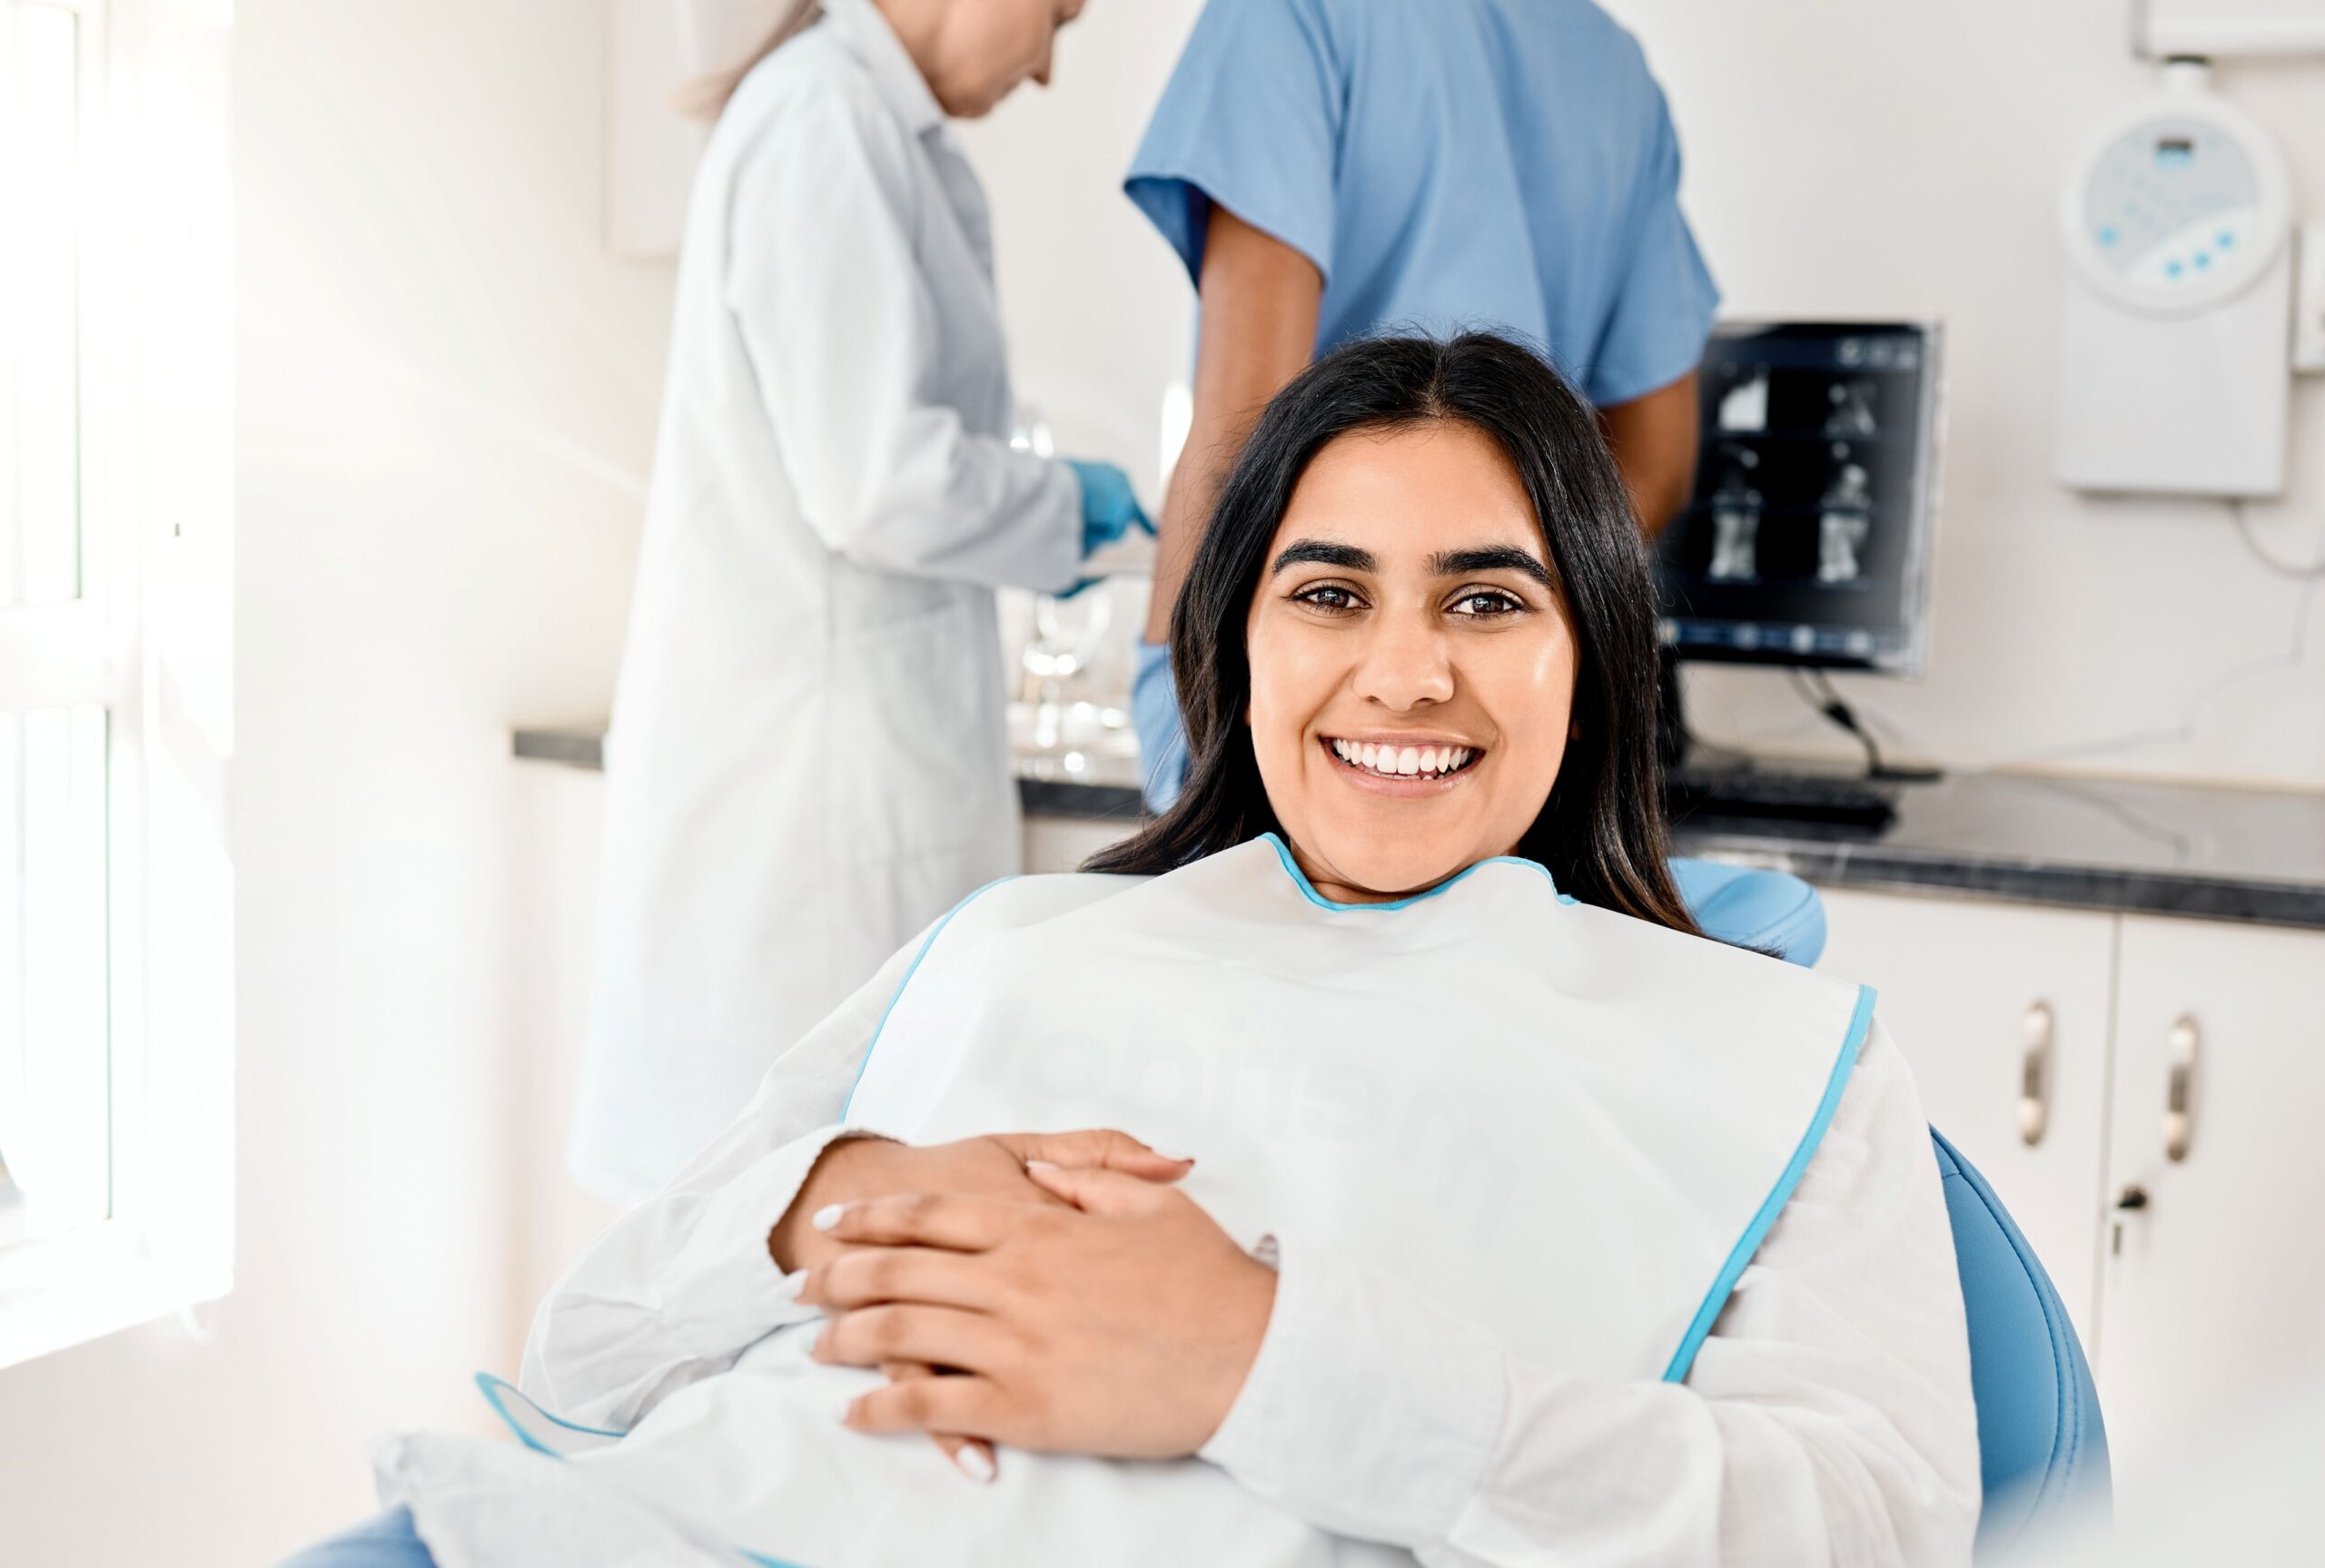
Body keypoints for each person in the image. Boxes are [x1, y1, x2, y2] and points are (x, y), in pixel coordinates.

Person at [296, 334, 1979, 1567]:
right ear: (1237, 643)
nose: (1401, 675)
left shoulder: (1778, 1061)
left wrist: (1262, 1361)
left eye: (1485, 600)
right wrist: (835, 1199)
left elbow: (1882, 1522)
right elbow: (587, 1352)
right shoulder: (1026, 939)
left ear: (1592, 658)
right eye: (1328, 595)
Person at [574, 0, 1148, 1201]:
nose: (1045, 65)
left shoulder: (865, 127)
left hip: (831, 782)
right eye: (1055, 17)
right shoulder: (820, 120)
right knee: (790, 1232)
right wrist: (1067, 509)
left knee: (823, 1233)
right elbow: (878, 481)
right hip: (803, 817)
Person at [1122, 0, 1717, 810]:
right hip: (1491, 749)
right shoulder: (1613, 69)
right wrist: (1498, 617)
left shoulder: (1293, 15)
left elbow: (1244, 425)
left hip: (1304, 717)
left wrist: (1187, 721)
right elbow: (1657, 460)